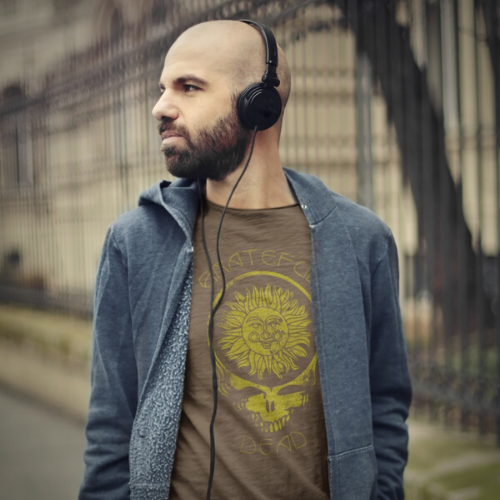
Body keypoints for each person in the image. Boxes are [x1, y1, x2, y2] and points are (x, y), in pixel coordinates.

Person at [79, 19, 411, 500]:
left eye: (189, 87)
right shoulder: (136, 243)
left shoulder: (360, 240)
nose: (160, 107)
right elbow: (111, 423)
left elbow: (385, 403)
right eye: (162, 88)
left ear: (261, 105)